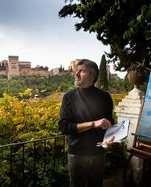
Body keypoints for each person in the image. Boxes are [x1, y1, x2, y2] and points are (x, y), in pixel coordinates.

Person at [58, 59, 115, 187]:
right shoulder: (69, 97)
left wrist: (111, 139)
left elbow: (110, 122)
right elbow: (64, 127)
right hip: (77, 155)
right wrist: (93, 124)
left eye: (82, 71)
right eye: (76, 71)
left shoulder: (105, 97)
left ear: (93, 76)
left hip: (99, 153)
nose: (76, 74)